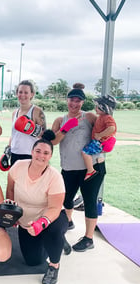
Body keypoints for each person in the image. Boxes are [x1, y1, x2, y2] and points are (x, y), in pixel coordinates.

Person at [6, 133, 69, 284]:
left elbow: (54, 207)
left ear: (50, 156)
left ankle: (54, 265)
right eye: (38, 151)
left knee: (52, 233)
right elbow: (10, 191)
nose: (41, 155)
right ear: (32, 152)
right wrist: (13, 213)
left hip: (49, 218)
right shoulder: (18, 166)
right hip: (26, 220)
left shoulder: (54, 177)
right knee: (33, 261)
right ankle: (57, 242)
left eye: (46, 153)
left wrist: (41, 224)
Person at [51, 83, 104, 251]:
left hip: (91, 167)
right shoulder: (60, 120)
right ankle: (69, 221)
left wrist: (107, 139)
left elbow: (103, 128)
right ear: (67, 100)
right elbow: (52, 141)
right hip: (69, 168)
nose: (74, 104)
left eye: (78, 101)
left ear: (82, 102)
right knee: (65, 199)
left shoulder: (89, 117)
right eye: (71, 100)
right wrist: (66, 128)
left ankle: (88, 238)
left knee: (89, 201)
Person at [9, 80, 46, 166]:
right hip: (14, 153)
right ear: (17, 93)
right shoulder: (15, 112)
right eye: (20, 92)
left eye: (26, 92)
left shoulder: (36, 111)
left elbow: (45, 136)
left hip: (30, 154)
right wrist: (8, 149)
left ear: (32, 94)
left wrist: (31, 129)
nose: (22, 95)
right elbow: (13, 134)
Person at [82, 95, 117, 181]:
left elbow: (112, 128)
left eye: (97, 107)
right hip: (99, 141)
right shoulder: (101, 117)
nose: (95, 108)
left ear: (104, 108)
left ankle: (90, 171)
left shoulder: (107, 118)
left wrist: (100, 135)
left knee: (85, 152)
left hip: (100, 142)